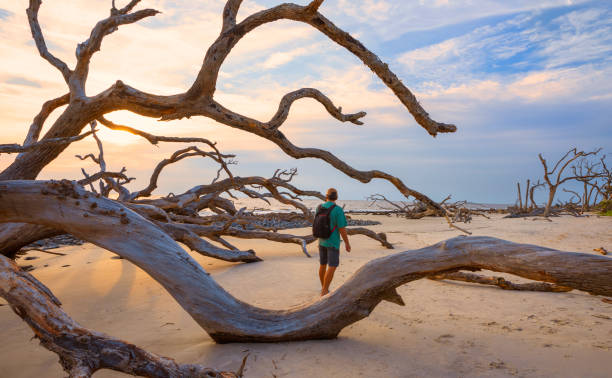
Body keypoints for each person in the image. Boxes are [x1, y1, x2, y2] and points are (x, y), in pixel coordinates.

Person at [317, 187, 351, 296]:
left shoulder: (319, 207)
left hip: (321, 240)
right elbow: (342, 228)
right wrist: (347, 242)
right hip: (333, 242)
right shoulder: (338, 210)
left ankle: (324, 288)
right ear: (336, 197)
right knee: (332, 265)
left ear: (326, 196)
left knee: (323, 264)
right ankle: (324, 290)